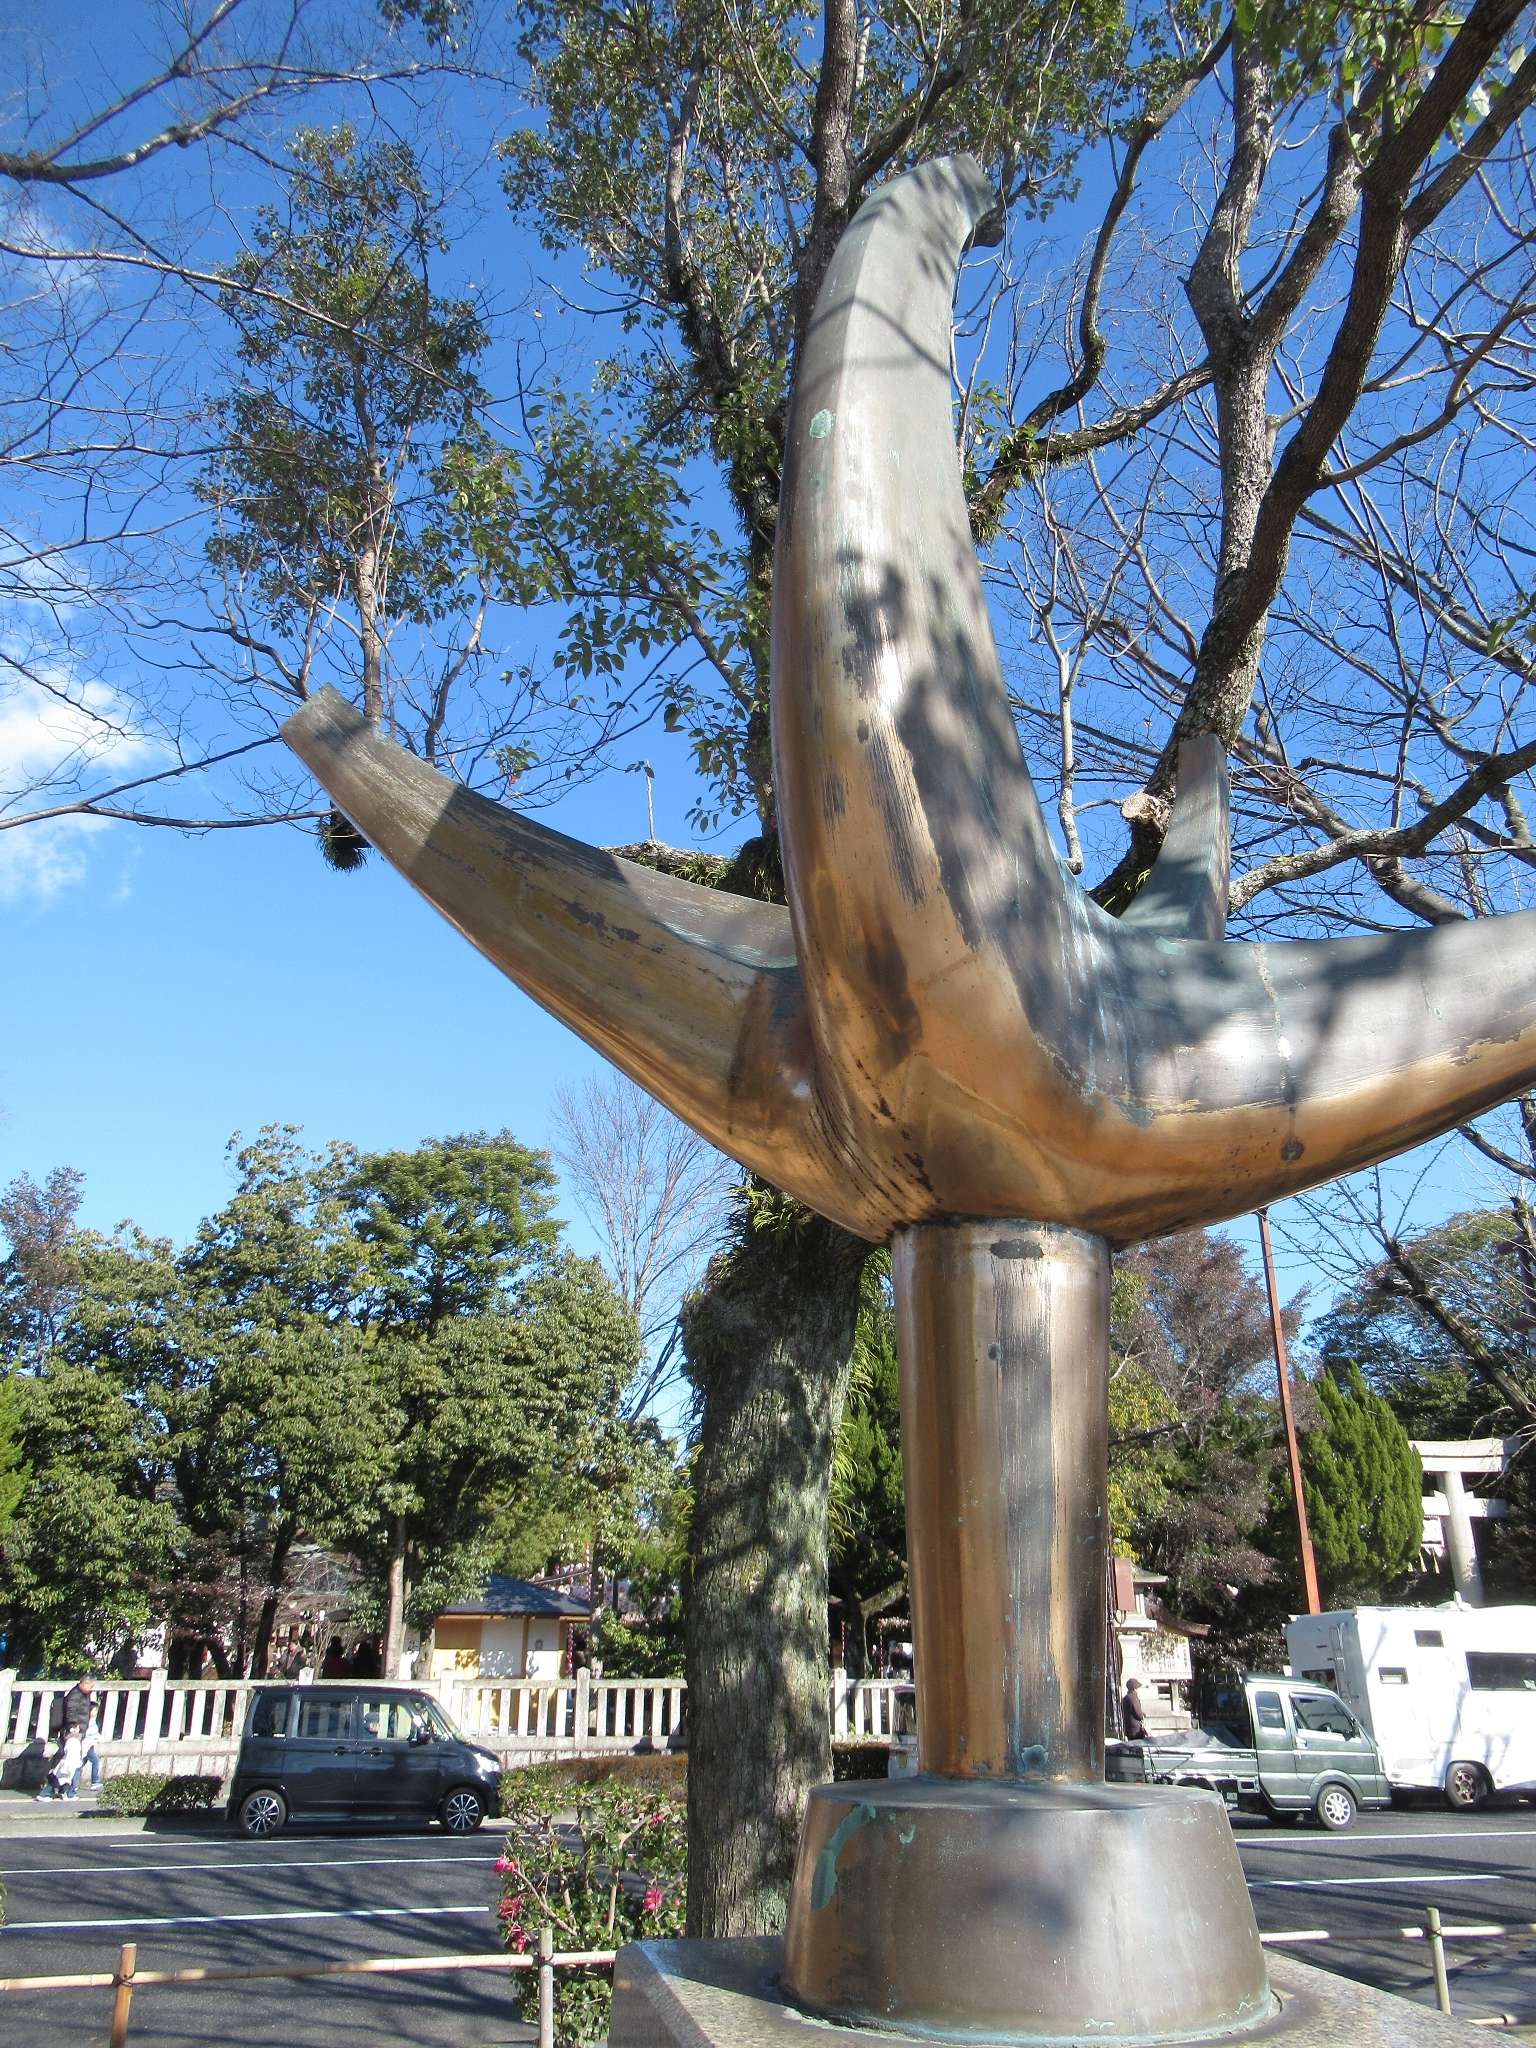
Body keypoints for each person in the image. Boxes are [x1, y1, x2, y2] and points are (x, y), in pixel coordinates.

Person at [36, 1676, 94, 1800]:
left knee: (73, 1763)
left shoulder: (82, 1694)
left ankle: (66, 1791)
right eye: (90, 1686)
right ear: (84, 1684)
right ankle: (52, 1792)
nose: (91, 1689)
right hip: (72, 1733)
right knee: (70, 1764)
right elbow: (71, 1711)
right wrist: (73, 1726)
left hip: (76, 1733)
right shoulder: (76, 1695)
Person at [1121, 1676, 1149, 1742]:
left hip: (1128, 1728)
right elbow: (1138, 1714)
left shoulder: (1125, 1698)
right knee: (1138, 1746)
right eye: (1137, 1688)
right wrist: (1143, 1715)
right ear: (1134, 1688)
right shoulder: (1133, 1698)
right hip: (1136, 1730)